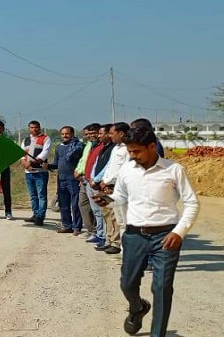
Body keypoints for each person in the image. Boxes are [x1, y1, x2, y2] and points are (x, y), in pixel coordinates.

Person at [93, 127, 199, 337]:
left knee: (161, 288)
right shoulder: (127, 170)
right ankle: (138, 307)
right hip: (134, 236)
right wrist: (107, 200)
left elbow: (192, 202)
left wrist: (179, 232)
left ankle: (157, 334)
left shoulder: (173, 170)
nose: (132, 156)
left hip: (166, 237)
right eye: (130, 152)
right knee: (127, 284)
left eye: (136, 152)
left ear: (152, 146)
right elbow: (121, 197)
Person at [96, 122, 131, 255]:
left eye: (112, 133)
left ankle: (128, 250)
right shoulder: (116, 148)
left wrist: (110, 182)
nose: (110, 136)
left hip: (120, 187)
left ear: (121, 133)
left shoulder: (128, 148)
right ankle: (124, 250)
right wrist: (104, 181)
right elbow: (111, 167)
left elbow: (124, 169)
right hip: (110, 187)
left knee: (126, 221)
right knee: (119, 220)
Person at [46, 126, 85, 234]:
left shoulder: (78, 146)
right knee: (63, 204)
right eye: (62, 134)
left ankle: (77, 227)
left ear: (72, 134)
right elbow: (56, 164)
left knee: (75, 204)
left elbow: (83, 162)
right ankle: (67, 225)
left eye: (67, 134)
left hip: (74, 179)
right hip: (61, 179)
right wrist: (47, 166)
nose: (65, 136)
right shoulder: (59, 148)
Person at [74, 123, 102, 239]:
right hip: (83, 179)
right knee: (83, 205)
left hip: (93, 181)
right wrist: (78, 171)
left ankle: (99, 233)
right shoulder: (89, 145)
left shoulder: (101, 146)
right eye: (88, 134)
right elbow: (83, 160)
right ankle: (91, 231)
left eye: (93, 133)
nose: (91, 136)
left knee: (97, 208)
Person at [21, 120, 52, 226]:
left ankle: (40, 216)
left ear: (39, 128)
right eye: (32, 127)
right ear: (29, 128)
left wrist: (31, 162)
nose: (34, 129)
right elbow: (21, 154)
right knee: (33, 195)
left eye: (36, 127)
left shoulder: (45, 139)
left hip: (40, 172)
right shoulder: (25, 140)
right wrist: (25, 163)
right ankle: (35, 214)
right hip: (28, 172)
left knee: (41, 195)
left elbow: (45, 153)